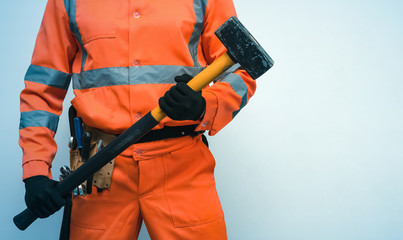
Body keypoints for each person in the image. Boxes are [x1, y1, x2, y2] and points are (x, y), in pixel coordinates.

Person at [19, 0, 255, 239]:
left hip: (182, 164)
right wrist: (35, 170)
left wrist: (204, 106)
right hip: (98, 167)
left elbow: (241, 72)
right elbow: (42, 89)